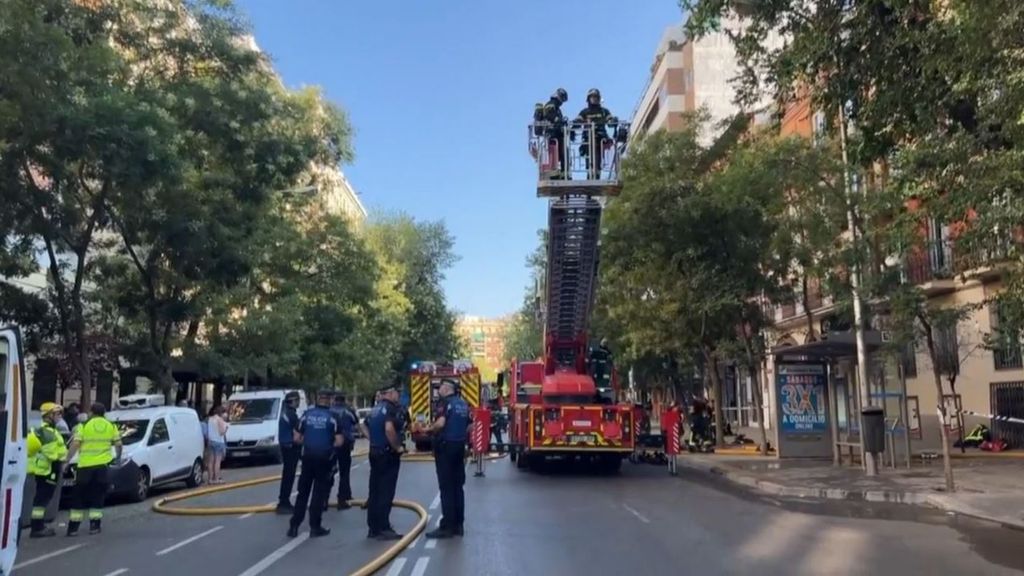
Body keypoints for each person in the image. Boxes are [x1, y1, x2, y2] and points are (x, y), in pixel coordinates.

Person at [287, 390, 342, 538]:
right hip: (324, 458)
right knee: (318, 493)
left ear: (318, 399)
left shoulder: (306, 415)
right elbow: (339, 441)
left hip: (308, 457)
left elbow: (296, 438)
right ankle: (315, 527)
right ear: (329, 400)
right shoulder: (333, 417)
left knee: (302, 493)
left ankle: (294, 526)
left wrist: (309, 440)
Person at [420, 379, 470, 539]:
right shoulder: (463, 404)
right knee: (457, 487)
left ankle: (447, 526)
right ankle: (458, 525)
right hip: (459, 446)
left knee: (447, 487)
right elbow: (470, 426)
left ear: (447, 388)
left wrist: (427, 430)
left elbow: (440, 423)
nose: (438, 390)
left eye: (440, 387)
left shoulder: (444, 403)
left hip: (446, 447)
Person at [66, 402, 122, 536]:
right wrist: (117, 458)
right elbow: (119, 444)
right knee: (98, 496)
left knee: (78, 497)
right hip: (102, 467)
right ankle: (94, 526)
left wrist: (67, 461)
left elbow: (75, 444)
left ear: (91, 412)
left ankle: (73, 528)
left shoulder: (83, 426)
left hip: (84, 467)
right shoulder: (111, 426)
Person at [365, 382, 407, 541]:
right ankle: (383, 527)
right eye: (397, 392)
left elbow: (364, 426)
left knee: (374, 490)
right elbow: (389, 429)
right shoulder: (390, 409)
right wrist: (397, 447)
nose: (398, 395)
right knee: (386, 491)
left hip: (375, 452)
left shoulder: (375, 409)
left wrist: (373, 439)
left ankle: (373, 527)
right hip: (387, 454)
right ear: (389, 393)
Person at [27, 402, 68, 538]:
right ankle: (37, 527)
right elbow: (52, 454)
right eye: (57, 414)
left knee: (41, 499)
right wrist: (63, 458)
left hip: (43, 470)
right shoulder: (48, 433)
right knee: (42, 499)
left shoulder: (42, 430)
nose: (59, 416)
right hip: (48, 470)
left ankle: (38, 525)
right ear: (49, 415)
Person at [575, 88, 617, 179]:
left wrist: (613, 121)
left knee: (598, 161)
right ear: (588, 99)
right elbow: (577, 123)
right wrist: (573, 125)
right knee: (589, 160)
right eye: (592, 97)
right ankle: (590, 175)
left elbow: (610, 122)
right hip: (588, 139)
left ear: (599, 98)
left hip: (600, 139)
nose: (594, 99)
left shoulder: (604, 111)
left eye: (596, 97)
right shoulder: (584, 112)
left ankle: (597, 175)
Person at [328, 393, 357, 511]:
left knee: (329, 472)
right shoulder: (348, 411)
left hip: (331, 444)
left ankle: (324, 500)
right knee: (344, 472)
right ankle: (342, 499)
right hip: (345, 443)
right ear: (344, 400)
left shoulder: (329, 411)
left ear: (334, 400)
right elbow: (355, 422)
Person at [534, 88, 569, 179]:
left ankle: (563, 174)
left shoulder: (557, 108)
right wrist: (558, 121)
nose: (562, 101)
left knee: (562, 154)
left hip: (558, 134)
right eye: (562, 98)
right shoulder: (551, 104)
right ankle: (554, 174)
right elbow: (550, 115)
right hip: (553, 134)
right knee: (554, 153)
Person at [276, 391, 302, 513]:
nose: (299, 403)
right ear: (294, 401)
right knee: (289, 476)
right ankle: (284, 502)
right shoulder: (291, 415)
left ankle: (283, 500)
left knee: (287, 474)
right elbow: (299, 431)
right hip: (291, 447)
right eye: (298, 401)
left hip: (284, 446)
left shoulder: (284, 412)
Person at [206, 405, 228, 484]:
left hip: (211, 441)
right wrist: (226, 429)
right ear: (221, 413)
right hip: (218, 442)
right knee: (217, 461)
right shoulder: (220, 420)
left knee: (210, 461)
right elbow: (221, 432)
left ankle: (210, 479)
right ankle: (216, 478)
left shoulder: (210, 419)